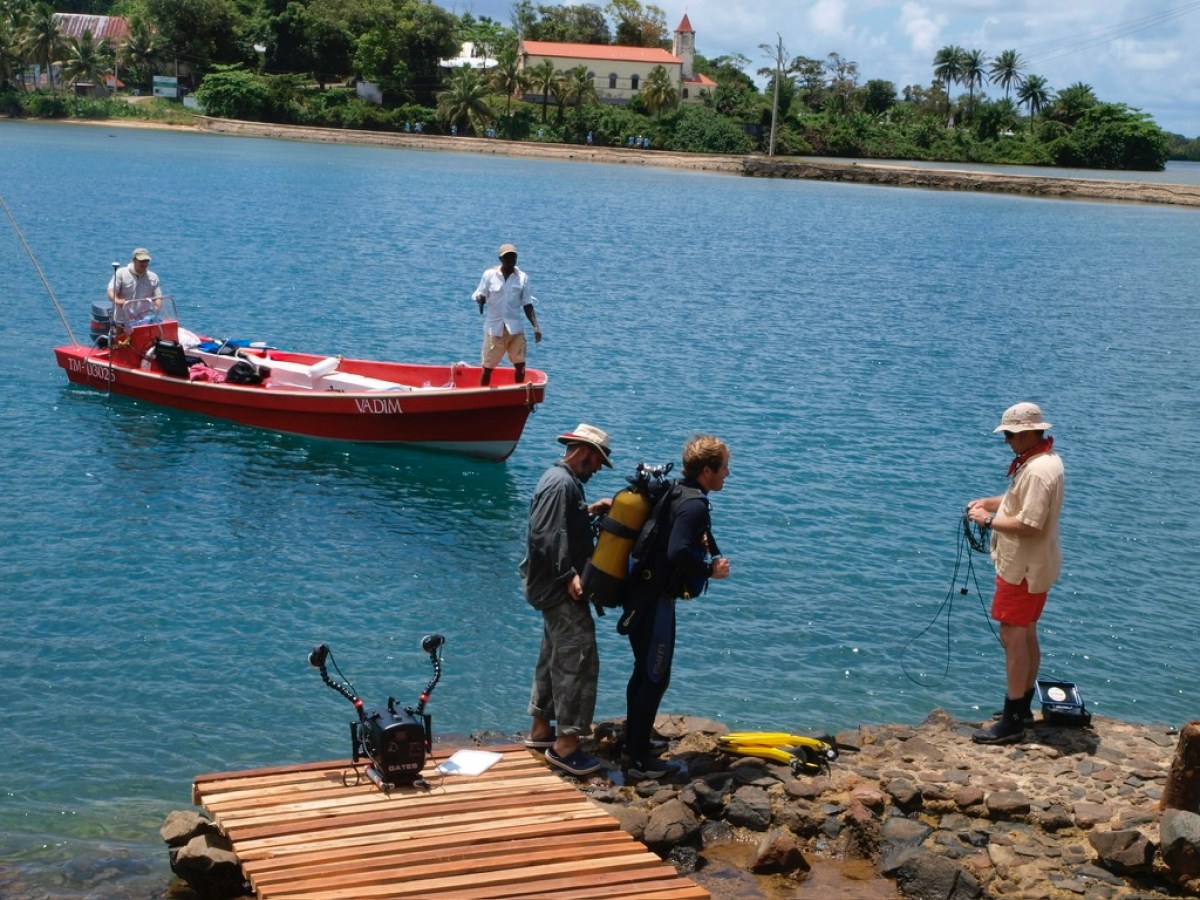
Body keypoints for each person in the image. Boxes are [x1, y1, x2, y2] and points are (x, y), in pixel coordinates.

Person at [622, 434, 731, 779]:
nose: (728, 474)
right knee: (655, 676)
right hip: (655, 600)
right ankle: (638, 761)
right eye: (724, 468)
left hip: (640, 591)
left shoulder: (674, 490)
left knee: (644, 671)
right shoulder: (694, 504)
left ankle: (633, 742)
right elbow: (677, 551)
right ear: (708, 470)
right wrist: (709, 569)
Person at [965, 402, 1065, 745]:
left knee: (1012, 635)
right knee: (1026, 633)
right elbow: (1018, 501)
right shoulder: (1043, 462)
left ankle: (1012, 720)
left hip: (1022, 569)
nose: (1006, 440)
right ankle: (1021, 707)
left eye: (1009, 434)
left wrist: (987, 520)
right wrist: (989, 502)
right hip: (1036, 566)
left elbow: (1028, 523)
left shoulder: (1037, 470)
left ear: (1026, 433)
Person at [521, 424, 614, 777]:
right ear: (585, 452)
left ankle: (541, 730)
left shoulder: (561, 483)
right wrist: (568, 576)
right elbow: (544, 535)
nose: (596, 469)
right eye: (597, 462)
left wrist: (586, 510)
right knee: (579, 656)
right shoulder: (560, 483)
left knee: (554, 653)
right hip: (557, 588)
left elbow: (558, 524)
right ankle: (566, 746)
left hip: (547, 587)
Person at [472, 243, 541, 386]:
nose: (510, 261)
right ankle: (483, 397)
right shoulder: (489, 275)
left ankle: (518, 393)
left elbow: (527, 304)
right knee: (488, 367)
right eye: (507, 257)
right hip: (494, 329)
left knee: (520, 366)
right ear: (500, 259)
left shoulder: (522, 278)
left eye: (513, 257)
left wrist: (536, 327)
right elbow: (480, 294)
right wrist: (480, 299)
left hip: (514, 328)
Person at [107, 247, 162, 325]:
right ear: (134, 260)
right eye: (141, 261)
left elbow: (158, 297)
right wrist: (117, 300)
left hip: (143, 321)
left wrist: (157, 307)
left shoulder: (153, 277)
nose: (144, 264)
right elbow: (111, 290)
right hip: (122, 320)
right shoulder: (121, 273)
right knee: (121, 335)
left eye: (146, 261)